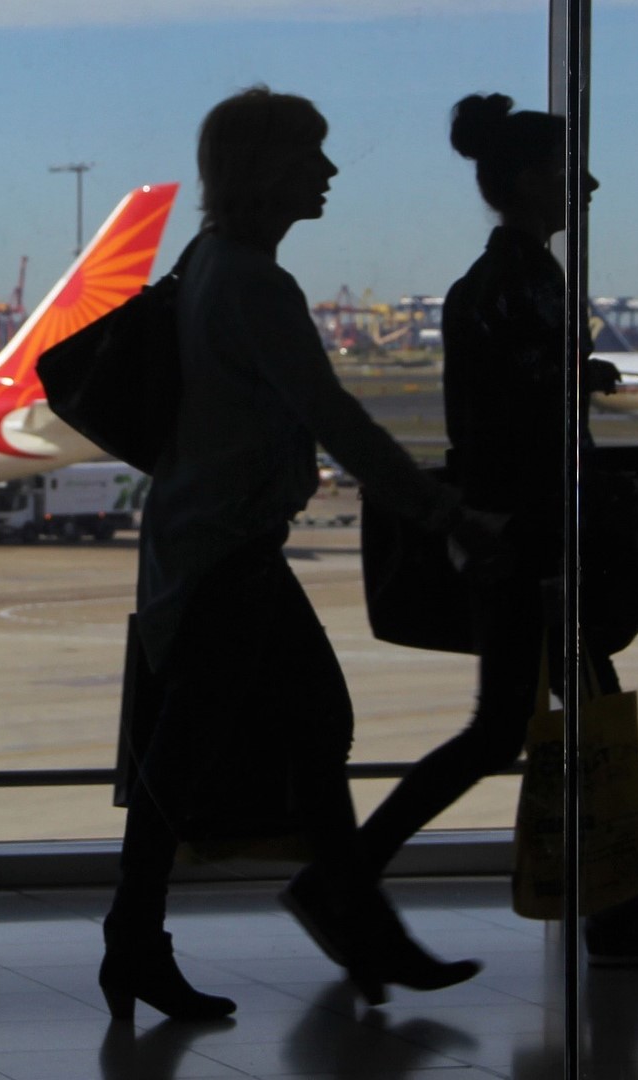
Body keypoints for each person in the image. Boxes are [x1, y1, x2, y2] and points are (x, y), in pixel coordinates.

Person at [103, 86, 498, 1024]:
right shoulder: (252, 282)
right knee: (256, 738)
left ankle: (323, 924)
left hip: (205, 542)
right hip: (224, 549)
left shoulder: (207, 262)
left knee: (257, 739)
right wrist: (443, 513)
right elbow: (338, 422)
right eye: (313, 156)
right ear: (266, 170)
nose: (328, 173)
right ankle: (315, 924)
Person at [353, 92, 638, 967]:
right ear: (521, 181)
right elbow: (523, 423)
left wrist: (570, 372)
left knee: (519, 726)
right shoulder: (529, 281)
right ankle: (354, 871)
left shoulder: (487, 284)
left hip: (512, 536)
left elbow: (493, 408)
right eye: (565, 169)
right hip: (537, 541)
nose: (585, 183)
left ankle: (611, 909)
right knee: (556, 728)